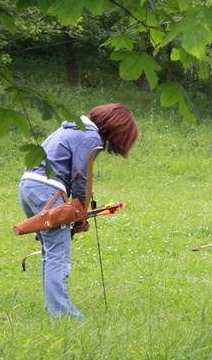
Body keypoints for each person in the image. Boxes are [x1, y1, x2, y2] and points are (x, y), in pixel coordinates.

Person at [18, 104, 138, 319]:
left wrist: (76, 211)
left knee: (51, 251)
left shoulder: (72, 128)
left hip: (28, 187)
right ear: (114, 126)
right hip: (47, 190)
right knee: (58, 254)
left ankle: (55, 309)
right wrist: (80, 211)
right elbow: (80, 176)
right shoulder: (89, 136)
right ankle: (62, 315)